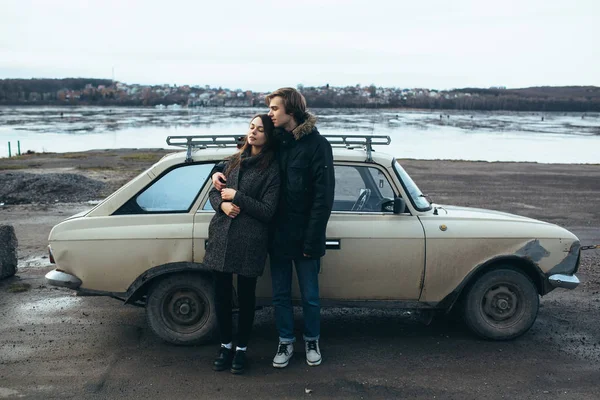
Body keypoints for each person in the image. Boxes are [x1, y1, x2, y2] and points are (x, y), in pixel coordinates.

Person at [212, 87, 335, 368]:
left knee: (310, 297)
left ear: (290, 111)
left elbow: (323, 198)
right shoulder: (277, 142)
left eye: (274, 109)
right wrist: (216, 171)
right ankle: (285, 341)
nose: (270, 114)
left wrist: (313, 238)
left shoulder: (318, 145)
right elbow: (240, 156)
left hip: (305, 234)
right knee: (280, 295)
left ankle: (312, 340)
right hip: (276, 233)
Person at [204, 114, 280, 374]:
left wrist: (239, 197)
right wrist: (222, 204)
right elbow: (214, 191)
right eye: (251, 127)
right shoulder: (234, 160)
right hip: (221, 237)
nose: (254, 133)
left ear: (268, 136)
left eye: (260, 130)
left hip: (250, 241)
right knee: (222, 296)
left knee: (247, 299)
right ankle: (225, 346)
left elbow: (268, 211)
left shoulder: (271, 169)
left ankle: (242, 350)